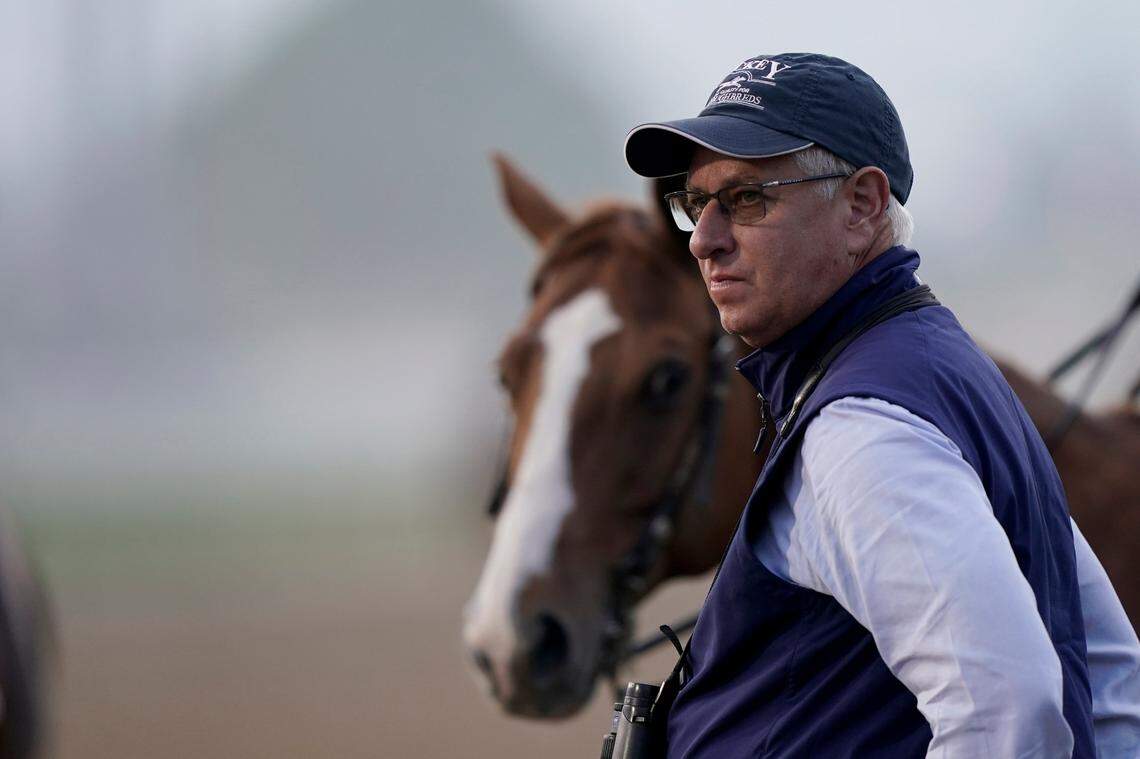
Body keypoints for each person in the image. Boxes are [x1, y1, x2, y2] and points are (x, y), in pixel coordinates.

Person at [624, 52, 1140, 758]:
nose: (707, 240)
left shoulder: (862, 430)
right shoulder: (940, 370)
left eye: (747, 198)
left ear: (863, 205)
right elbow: (1112, 679)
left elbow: (1007, 710)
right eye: (694, 202)